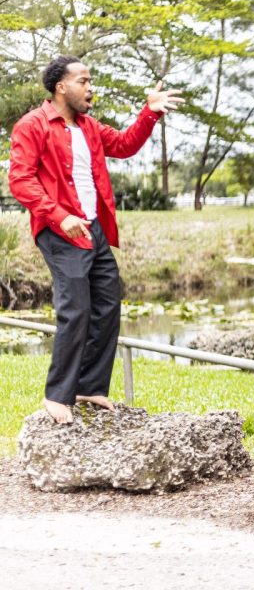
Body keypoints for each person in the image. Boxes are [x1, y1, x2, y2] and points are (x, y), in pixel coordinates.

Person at [8, 55, 184, 424]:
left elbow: (124, 145)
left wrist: (148, 113)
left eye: (90, 82)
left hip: (93, 229)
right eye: (84, 81)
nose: (91, 88)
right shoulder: (33, 125)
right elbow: (21, 181)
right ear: (61, 87)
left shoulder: (88, 126)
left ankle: (89, 386)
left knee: (107, 305)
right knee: (76, 310)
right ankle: (58, 395)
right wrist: (59, 215)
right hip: (59, 231)